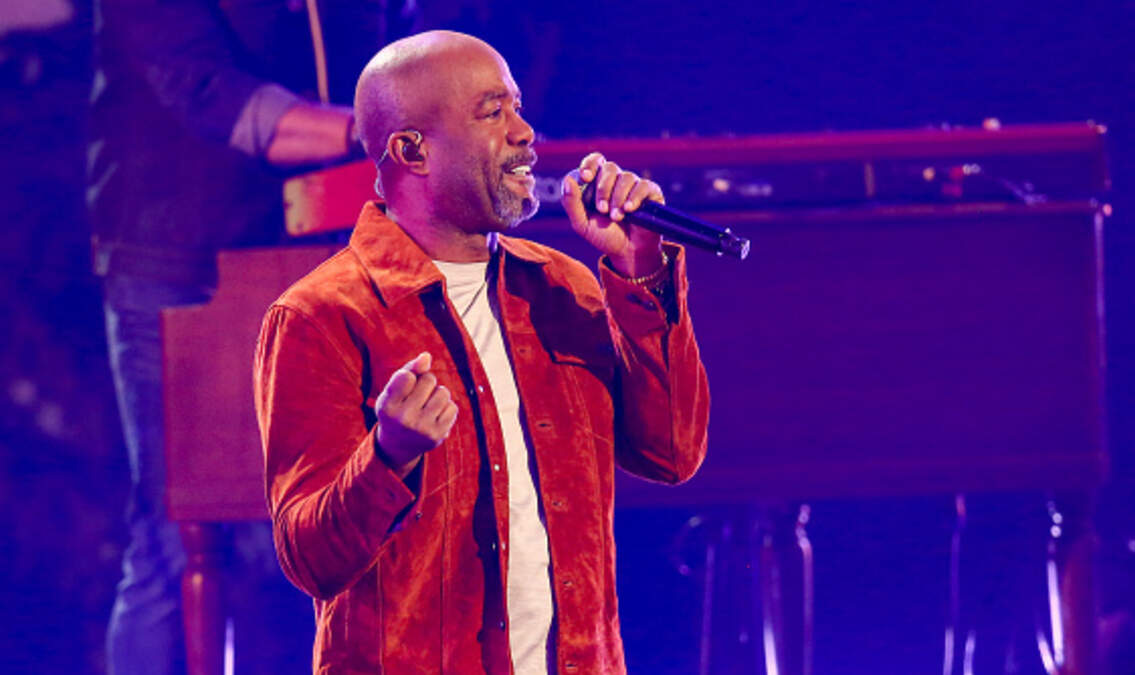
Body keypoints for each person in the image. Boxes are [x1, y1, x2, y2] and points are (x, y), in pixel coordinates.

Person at [253, 30, 710, 673]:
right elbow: (310, 561)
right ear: (412, 150)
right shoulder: (322, 316)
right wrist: (388, 456)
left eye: (517, 107)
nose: (525, 132)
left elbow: (673, 453)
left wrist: (640, 273)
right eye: (493, 113)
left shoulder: (560, 286)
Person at [87, 1, 416, 672]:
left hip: (306, 253)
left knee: (295, 533)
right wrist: (368, 131)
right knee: (173, 538)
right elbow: (209, 94)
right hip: (177, 260)